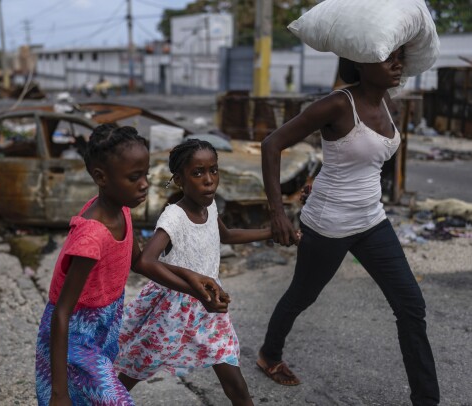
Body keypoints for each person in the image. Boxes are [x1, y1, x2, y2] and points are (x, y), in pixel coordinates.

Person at [258, 48, 440, 405]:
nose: (397, 63)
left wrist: (318, 175)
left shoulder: (390, 102)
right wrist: (278, 212)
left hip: (371, 220)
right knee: (302, 295)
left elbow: (361, 158)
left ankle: (426, 400)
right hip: (329, 224)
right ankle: (269, 354)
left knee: (411, 306)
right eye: (388, 57)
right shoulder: (337, 105)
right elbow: (271, 144)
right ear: (359, 61)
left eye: (399, 56)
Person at [35, 125, 227, 406]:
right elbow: (62, 312)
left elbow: (138, 262)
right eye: (134, 177)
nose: (145, 184)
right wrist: (58, 392)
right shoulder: (91, 237)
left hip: (105, 326)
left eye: (146, 174)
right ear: (101, 177)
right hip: (76, 339)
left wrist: (193, 281)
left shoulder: (122, 210)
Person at [116, 138, 275, 406]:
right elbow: (145, 261)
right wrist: (192, 288)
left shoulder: (210, 206)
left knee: (234, 380)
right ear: (179, 180)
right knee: (132, 372)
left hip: (209, 307)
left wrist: (272, 232)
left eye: (213, 170)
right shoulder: (174, 217)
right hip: (171, 310)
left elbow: (226, 234)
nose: (209, 180)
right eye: (198, 173)